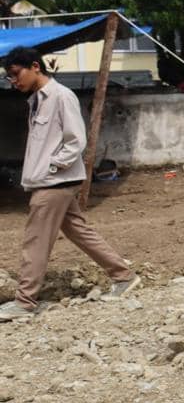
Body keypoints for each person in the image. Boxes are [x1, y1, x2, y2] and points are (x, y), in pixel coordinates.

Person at [1, 48, 142, 322]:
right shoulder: (37, 100)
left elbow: (76, 140)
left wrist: (52, 167)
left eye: (16, 74)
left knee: (36, 240)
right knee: (80, 232)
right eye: (9, 77)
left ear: (35, 67)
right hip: (52, 179)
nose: (14, 81)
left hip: (54, 182)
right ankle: (124, 276)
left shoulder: (61, 96)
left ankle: (24, 302)